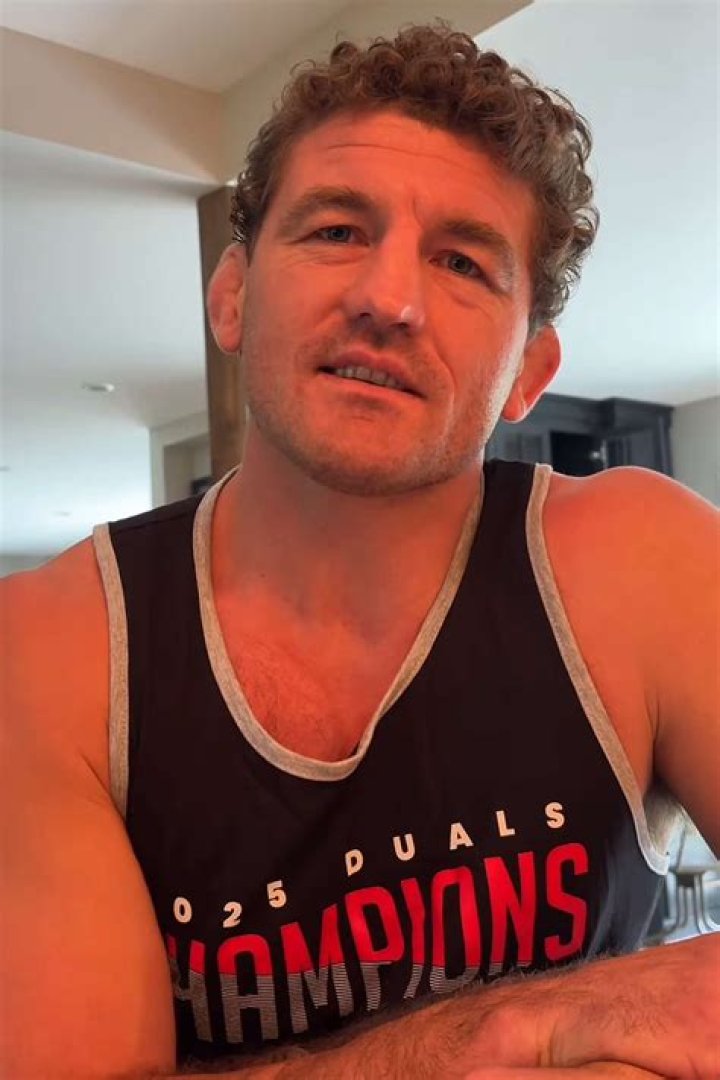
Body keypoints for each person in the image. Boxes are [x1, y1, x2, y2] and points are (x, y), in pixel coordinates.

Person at [1, 22, 718, 1080]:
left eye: (463, 262)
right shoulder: (50, 652)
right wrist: (525, 1026)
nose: (390, 300)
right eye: (337, 231)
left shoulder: (645, 561)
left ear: (529, 371)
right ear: (232, 297)